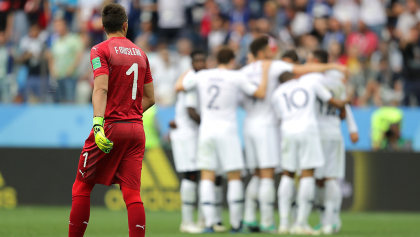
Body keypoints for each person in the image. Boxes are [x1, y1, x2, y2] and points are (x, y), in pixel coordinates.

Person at [239, 36, 347, 233]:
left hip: (260, 127)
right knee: (295, 174)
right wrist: (335, 68)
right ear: (263, 52)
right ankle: (295, 223)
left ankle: (276, 222)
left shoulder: (249, 75)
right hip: (291, 129)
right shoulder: (293, 76)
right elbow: (327, 94)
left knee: (280, 175)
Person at [68, 4, 155, 237]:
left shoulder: (99, 50)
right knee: (132, 194)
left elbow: (101, 88)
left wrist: (99, 123)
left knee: (82, 187)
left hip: (109, 127)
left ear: (103, 26)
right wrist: (132, 114)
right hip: (136, 130)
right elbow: (150, 98)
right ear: (126, 25)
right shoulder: (141, 53)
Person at [176, 47, 270, 233]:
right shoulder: (236, 76)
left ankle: (209, 223)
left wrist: (186, 72)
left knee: (207, 177)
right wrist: (265, 73)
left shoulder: (203, 75)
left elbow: (179, 86)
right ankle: (236, 224)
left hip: (206, 131)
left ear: (215, 60)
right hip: (227, 131)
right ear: (232, 61)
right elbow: (259, 93)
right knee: (234, 177)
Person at [272, 71, 349, 235]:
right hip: (308, 130)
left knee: (288, 175)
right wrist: (345, 102)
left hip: (287, 131)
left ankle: (284, 223)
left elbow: (279, 117)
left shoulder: (277, 93)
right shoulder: (309, 84)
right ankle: (301, 223)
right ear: (294, 77)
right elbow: (332, 101)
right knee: (307, 175)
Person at [304, 49, 355, 234]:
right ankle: (332, 220)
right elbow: (343, 109)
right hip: (334, 133)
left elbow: (339, 106)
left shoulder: (312, 81)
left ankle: (327, 220)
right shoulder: (337, 85)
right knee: (330, 178)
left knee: (318, 179)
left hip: (317, 133)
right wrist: (352, 129)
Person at [169, 50, 206, 234]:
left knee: (198, 174)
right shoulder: (192, 80)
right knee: (190, 174)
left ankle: (201, 219)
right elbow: (191, 111)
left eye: (202, 60)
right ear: (192, 63)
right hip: (186, 134)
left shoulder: (195, 78)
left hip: (189, 133)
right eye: (197, 60)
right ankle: (187, 221)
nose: (200, 63)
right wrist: (208, 125)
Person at [48, 17, 83, 103]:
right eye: (55, 25)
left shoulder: (74, 39)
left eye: (59, 25)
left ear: (65, 26)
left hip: (69, 76)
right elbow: (51, 56)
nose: (57, 27)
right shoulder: (55, 41)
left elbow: (79, 55)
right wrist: (52, 71)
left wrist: (71, 69)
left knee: (69, 100)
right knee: (58, 101)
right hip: (57, 76)